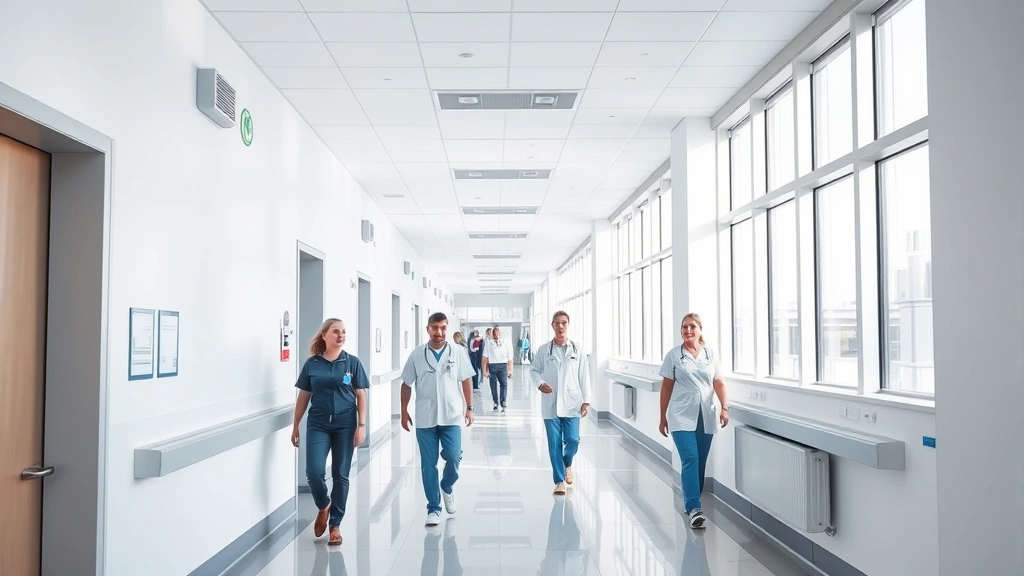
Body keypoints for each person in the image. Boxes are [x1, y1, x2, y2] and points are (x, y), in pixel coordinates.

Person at [291, 318, 369, 545]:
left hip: (346, 424)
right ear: (324, 335)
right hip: (318, 423)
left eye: (344, 332)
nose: (341, 335)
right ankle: (324, 505)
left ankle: (335, 525)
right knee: (314, 471)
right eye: (336, 332)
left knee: (340, 475)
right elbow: (304, 396)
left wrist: (361, 425)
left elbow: (361, 394)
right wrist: (296, 424)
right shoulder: (312, 364)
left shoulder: (352, 362)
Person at [400, 312, 476, 527]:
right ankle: (433, 508)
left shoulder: (458, 352)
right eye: (434, 328)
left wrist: (469, 408)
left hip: (451, 415)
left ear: (447, 328)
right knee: (428, 464)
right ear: (427, 329)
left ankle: (447, 486)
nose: (439, 332)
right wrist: (404, 410)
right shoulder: (417, 354)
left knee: (453, 456)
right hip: (425, 418)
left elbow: (466, 379)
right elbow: (406, 383)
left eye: (443, 328)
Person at [658, 313, 729, 529]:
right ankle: (695, 507)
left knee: (700, 462)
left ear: (700, 330)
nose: (687, 330)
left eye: (692, 327)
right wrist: (662, 416)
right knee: (690, 458)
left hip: (705, 414)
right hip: (680, 414)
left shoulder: (710, 354)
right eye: (684, 327)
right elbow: (666, 387)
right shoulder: (673, 356)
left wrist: (724, 408)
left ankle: (691, 499)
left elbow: (718, 383)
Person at [531, 311, 591, 495]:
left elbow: (584, 375)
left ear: (568, 325)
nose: (560, 326)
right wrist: (540, 384)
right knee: (554, 443)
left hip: (573, 402)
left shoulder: (577, 349)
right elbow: (534, 371)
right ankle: (559, 481)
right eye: (557, 323)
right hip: (551, 404)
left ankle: (567, 463)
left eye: (564, 323)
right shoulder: (543, 350)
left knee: (573, 439)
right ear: (552, 325)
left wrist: (586, 401)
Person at [482, 326, 513, 412]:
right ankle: (495, 402)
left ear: (499, 333)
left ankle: (503, 402)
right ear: (492, 334)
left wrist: (510, 370)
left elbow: (510, 357)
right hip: (492, 365)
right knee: (493, 385)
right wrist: (484, 371)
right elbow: (484, 358)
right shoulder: (489, 343)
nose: (496, 335)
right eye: (494, 333)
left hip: (503, 365)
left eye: (497, 333)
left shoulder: (505, 342)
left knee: (504, 384)